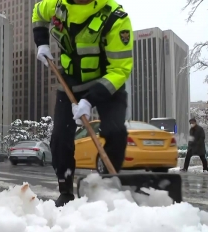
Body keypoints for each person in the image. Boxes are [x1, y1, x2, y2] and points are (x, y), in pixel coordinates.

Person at [32, 0, 133, 206]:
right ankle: (65, 189)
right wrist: (41, 42)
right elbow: (38, 13)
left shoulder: (116, 18)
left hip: (107, 82)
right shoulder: (57, 5)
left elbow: (120, 70)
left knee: (115, 132)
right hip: (70, 81)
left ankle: (108, 188)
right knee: (60, 138)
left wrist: (89, 99)